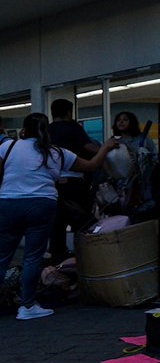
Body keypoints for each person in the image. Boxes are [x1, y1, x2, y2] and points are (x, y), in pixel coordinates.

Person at [0, 113, 117, 320]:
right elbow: (91, 165)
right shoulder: (58, 153)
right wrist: (106, 148)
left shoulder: (8, 147)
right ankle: (27, 306)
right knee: (32, 257)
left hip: (9, 202)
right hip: (42, 204)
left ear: (24, 131)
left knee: (2, 255)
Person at [47, 98, 98, 263]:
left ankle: (58, 257)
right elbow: (88, 148)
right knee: (80, 220)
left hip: (51, 183)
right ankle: (84, 255)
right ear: (69, 112)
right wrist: (106, 150)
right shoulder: (73, 128)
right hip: (73, 181)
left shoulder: (46, 130)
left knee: (57, 223)